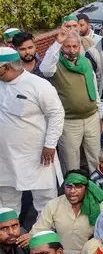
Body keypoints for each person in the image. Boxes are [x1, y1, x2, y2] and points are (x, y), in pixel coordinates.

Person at [0, 48, 64, 214]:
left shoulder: (38, 85)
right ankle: (9, 237)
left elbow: (56, 114)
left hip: (37, 155)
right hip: (5, 157)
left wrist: (50, 145)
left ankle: (44, 236)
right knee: (7, 202)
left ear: (6, 67)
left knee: (45, 201)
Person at [40, 29, 102, 173]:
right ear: (62, 47)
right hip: (69, 122)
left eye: (75, 46)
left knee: (95, 158)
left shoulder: (85, 62)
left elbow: (93, 88)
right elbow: (44, 69)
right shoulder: (55, 65)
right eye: (68, 46)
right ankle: (73, 191)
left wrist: (100, 113)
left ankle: (96, 189)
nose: (72, 50)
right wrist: (58, 42)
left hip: (92, 117)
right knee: (70, 161)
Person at [30, 169, 103, 254]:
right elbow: (38, 230)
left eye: (78, 186)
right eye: (69, 186)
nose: (72, 191)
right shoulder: (54, 204)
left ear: (86, 188)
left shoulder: (99, 206)